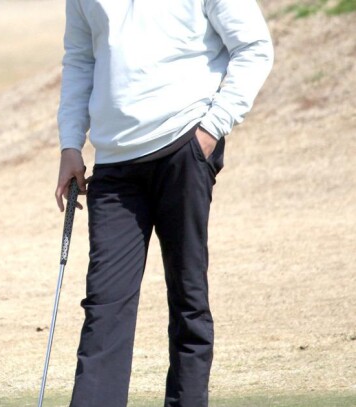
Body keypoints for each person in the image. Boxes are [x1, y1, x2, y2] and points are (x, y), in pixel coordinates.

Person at [54, 0, 274, 406]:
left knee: (188, 298)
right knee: (104, 307)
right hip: (115, 166)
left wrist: (211, 129)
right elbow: (81, 60)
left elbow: (254, 46)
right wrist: (71, 144)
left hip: (184, 148)